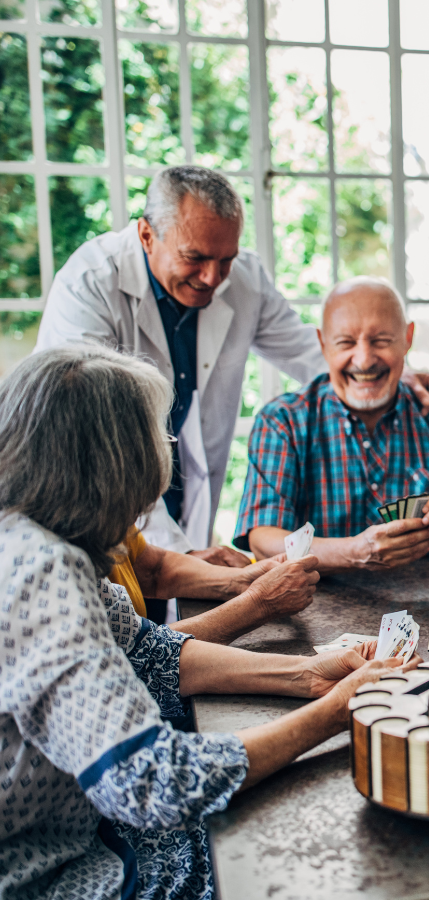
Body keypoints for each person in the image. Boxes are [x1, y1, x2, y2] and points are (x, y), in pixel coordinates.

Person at [0, 343, 405, 900]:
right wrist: (333, 714)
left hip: (80, 831)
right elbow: (156, 780)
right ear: (112, 467)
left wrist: (307, 675)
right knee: (293, 869)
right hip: (50, 876)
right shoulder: (40, 571)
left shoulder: (32, 535)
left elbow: (145, 652)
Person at [34, 165, 429, 566]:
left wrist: (409, 380)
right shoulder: (90, 284)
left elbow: (313, 354)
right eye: (195, 258)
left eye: (226, 259)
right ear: (147, 235)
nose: (212, 277)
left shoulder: (243, 278)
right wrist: (175, 559)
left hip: (178, 479)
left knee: (172, 621)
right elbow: (91, 440)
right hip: (92, 496)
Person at [236, 277, 429, 568]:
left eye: (381, 341)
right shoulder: (283, 421)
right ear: (322, 344)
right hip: (315, 605)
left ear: (407, 338)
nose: (364, 360)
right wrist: (353, 552)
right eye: (346, 342)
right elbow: (263, 541)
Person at [110, 525, 321, 645]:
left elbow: (155, 568)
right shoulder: (78, 558)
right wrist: (259, 603)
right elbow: (140, 650)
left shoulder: (113, 516)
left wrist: (240, 579)